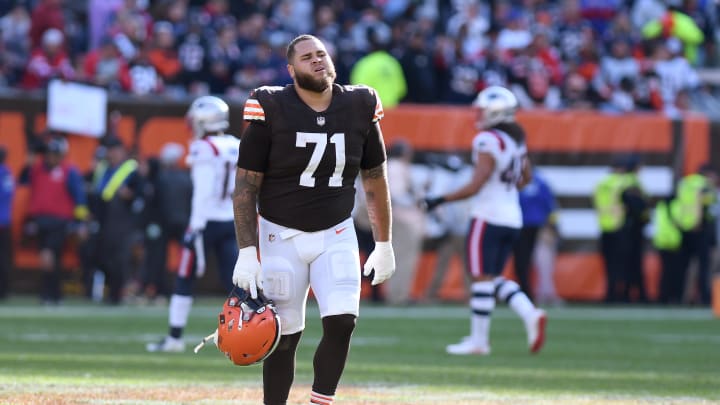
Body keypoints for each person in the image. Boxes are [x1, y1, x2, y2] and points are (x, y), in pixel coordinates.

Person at [231, 34, 396, 405]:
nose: (317, 60)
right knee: (282, 336)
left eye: (322, 53)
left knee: (342, 322)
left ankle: (322, 400)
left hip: (336, 230)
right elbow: (245, 186)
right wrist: (246, 250)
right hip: (279, 234)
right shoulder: (269, 104)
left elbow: (375, 177)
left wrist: (384, 243)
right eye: (307, 57)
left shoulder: (360, 102)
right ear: (291, 70)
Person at [424, 85, 546, 356]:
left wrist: (440, 199)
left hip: (487, 216)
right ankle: (528, 313)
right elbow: (525, 179)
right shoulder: (515, 140)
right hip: (512, 217)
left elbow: (476, 184)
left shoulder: (487, 140)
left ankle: (479, 341)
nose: (477, 114)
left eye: (481, 110)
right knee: (491, 278)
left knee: (480, 278)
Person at [147, 96, 240, 352]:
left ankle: (174, 338)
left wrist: (194, 227)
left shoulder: (203, 148)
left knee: (185, 278)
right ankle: (252, 335)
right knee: (235, 281)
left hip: (205, 222)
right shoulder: (235, 144)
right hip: (230, 220)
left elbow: (203, 192)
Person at [19, 136, 88, 305]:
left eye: (55, 154)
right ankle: (54, 294)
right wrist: (28, 161)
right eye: (50, 153)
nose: (51, 157)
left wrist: (80, 223)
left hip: (59, 222)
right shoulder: (37, 170)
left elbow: (79, 198)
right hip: (40, 221)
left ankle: (48, 294)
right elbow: (21, 180)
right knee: (51, 260)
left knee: (48, 256)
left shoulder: (69, 171)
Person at [384, 139, 424, 305]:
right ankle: (398, 295)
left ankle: (397, 293)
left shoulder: (391, 166)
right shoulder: (396, 167)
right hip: (404, 217)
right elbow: (397, 195)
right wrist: (417, 202)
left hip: (398, 216)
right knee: (404, 257)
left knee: (399, 256)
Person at [513, 168, 556, 302]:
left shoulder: (517, 180)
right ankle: (533, 292)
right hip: (532, 225)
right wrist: (552, 225)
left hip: (522, 224)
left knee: (525, 261)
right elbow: (550, 205)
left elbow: (549, 205)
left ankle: (531, 292)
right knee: (531, 260)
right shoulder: (540, 181)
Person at [0, 147, 14, 300]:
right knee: (3, 258)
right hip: (5, 221)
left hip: (2, 221)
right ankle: (4, 290)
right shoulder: (7, 172)